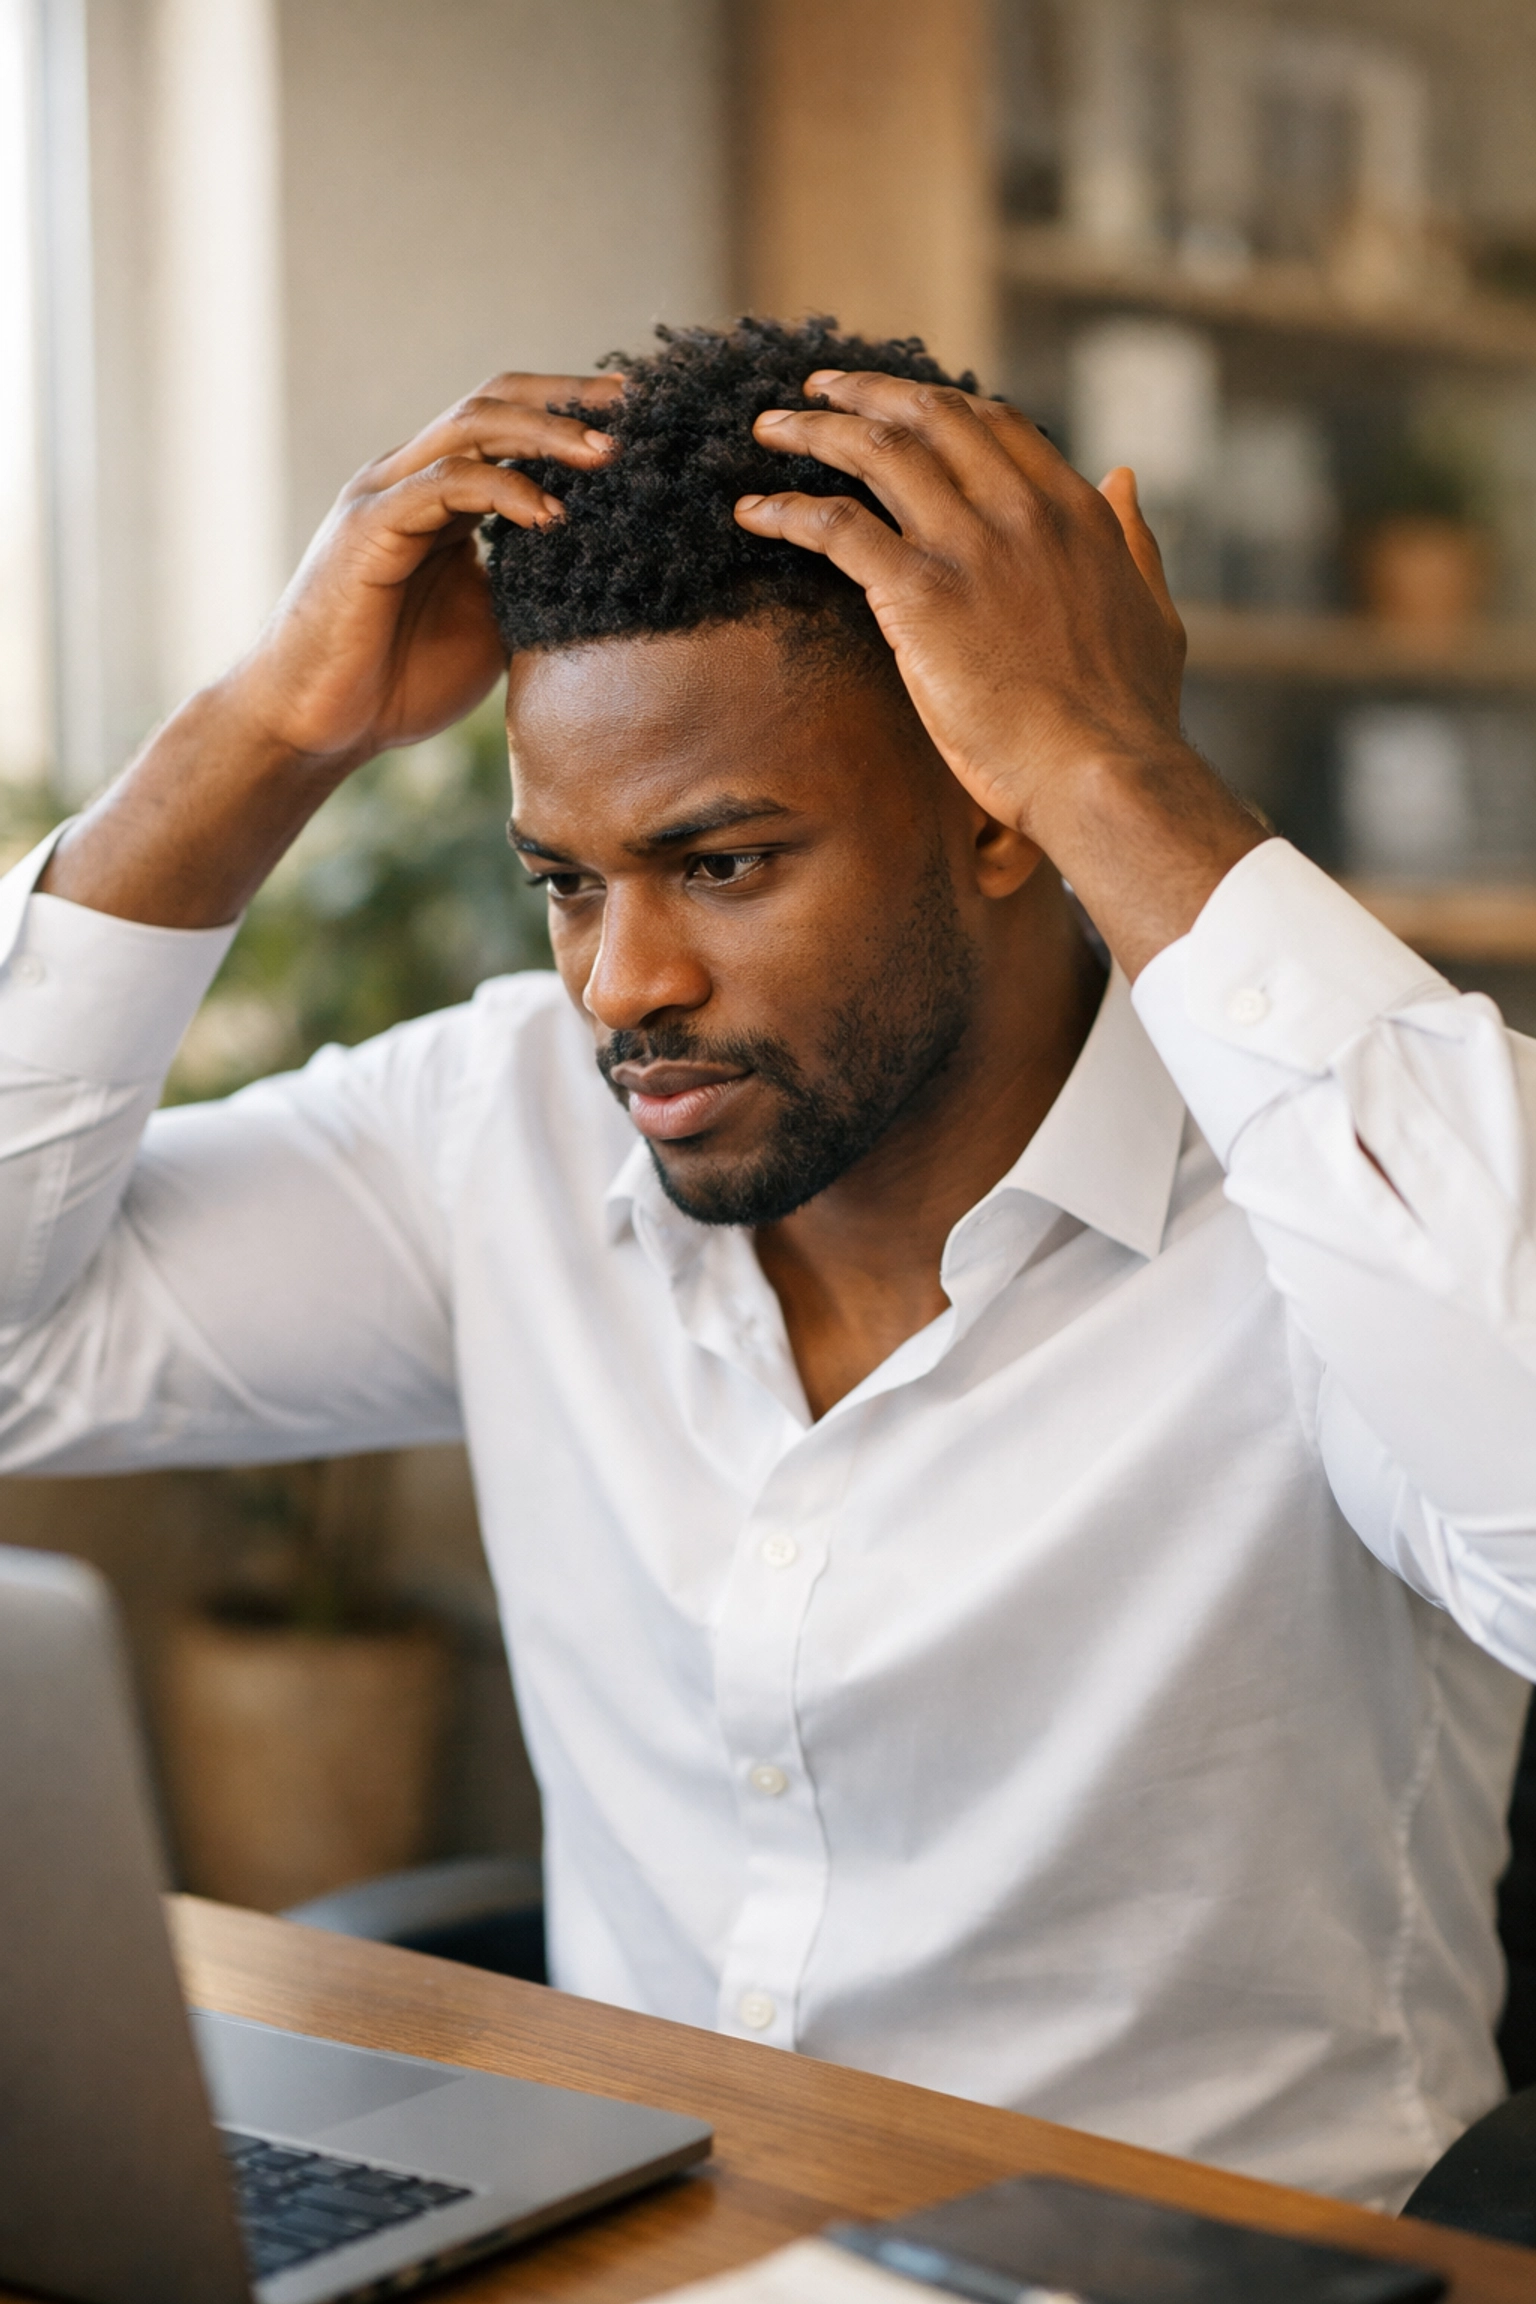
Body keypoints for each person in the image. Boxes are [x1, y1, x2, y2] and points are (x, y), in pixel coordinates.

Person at [2, 316, 1534, 2211]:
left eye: (722, 863)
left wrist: (1113, 761)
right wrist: (256, 735)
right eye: (567, 880)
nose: (620, 984)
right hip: (631, 2256)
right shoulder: (505, 1126)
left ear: (994, 807)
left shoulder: (1333, 1212)